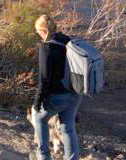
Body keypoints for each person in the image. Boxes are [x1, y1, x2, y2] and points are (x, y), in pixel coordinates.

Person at [31, 15, 83, 160]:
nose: (38, 35)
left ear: (43, 30)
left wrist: (37, 103)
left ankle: (43, 157)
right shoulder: (67, 40)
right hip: (75, 94)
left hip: (58, 96)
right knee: (67, 127)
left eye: (38, 32)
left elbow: (44, 79)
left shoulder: (46, 48)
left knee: (39, 118)